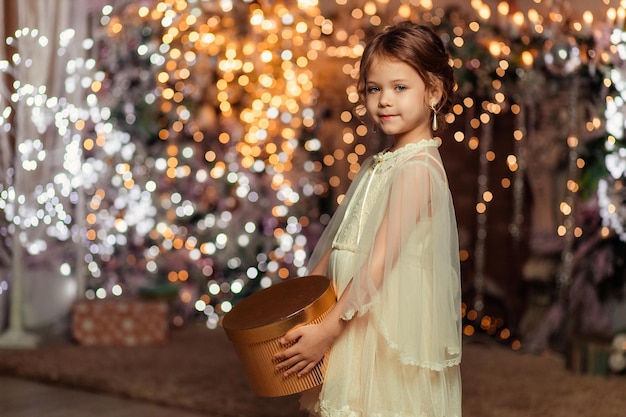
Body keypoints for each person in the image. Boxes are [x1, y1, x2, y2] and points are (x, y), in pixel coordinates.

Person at [274, 21, 462, 417]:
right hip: (347, 313)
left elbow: (376, 265)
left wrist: (326, 330)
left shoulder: (417, 169)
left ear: (433, 91)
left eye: (400, 87)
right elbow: (342, 239)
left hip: (379, 325)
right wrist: (305, 300)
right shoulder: (380, 162)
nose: (384, 101)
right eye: (374, 89)